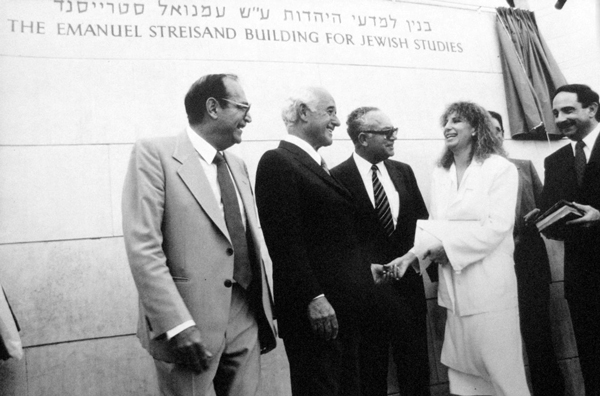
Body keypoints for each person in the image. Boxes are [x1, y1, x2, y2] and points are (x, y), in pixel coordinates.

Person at [121, 74, 276, 396]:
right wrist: (176, 324)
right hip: (189, 323)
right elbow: (143, 248)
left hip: (245, 314)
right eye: (243, 107)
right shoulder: (155, 154)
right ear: (213, 107)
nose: (249, 117)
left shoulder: (236, 164)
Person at [383, 102, 529, 396]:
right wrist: (411, 256)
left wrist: (446, 250)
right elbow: (437, 225)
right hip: (454, 290)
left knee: (503, 374)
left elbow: (497, 227)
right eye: (446, 121)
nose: (448, 126)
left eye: (457, 121)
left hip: (490, 287)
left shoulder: (499, 168)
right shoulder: (441, 171)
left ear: (476, 128)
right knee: (463, 377)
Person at [255, 87, 374, 396]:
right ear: (304, 113)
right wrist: (315, 298)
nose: (337, 120)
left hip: (341, 310)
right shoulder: (277, 161)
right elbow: (284, 243)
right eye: (330, 111)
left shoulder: (315, 165)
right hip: (317, 315)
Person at [330, 107, 431, 396]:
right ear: (362, 138)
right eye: (387, 133)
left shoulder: (404, 172)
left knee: (416, 373)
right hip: (365, 297)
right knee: (370, 377)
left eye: (393, 131)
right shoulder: (336, 178)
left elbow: (421, 224)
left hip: (408, 293)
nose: (393, 137)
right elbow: (338, 241)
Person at [489, 111, 565, 396]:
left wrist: (543, 216)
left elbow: (549, 210)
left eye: (498, 129)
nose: (494, 134)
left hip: (529, 263)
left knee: (539, 338)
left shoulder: (522, 166)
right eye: (487, 129)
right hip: (491, 268)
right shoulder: (464, 174)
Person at [540, 84, 600, 396]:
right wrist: (544, 221)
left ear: (592, 109)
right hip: (583, 279)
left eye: (568, 110)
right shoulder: (556, 160)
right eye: (555, 113)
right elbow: (553, 213)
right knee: (592, 361)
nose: (560, 118)